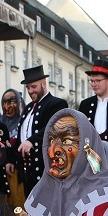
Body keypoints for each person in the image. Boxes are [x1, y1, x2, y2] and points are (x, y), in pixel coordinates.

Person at [16, 65, 67, 197]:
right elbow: (21, 135)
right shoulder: (28, 108)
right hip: (28, 168)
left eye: (33, 87)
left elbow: (53, 127)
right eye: (28, 87)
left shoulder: (57, 104)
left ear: (43, 85)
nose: (30, 91)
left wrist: (31, 141)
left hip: (45, 166)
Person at [0, 89, 26, 207]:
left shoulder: (24, 122)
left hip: (20, 170)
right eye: (4, 102)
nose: (7, 106)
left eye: (12, 102)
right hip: (3, 171)